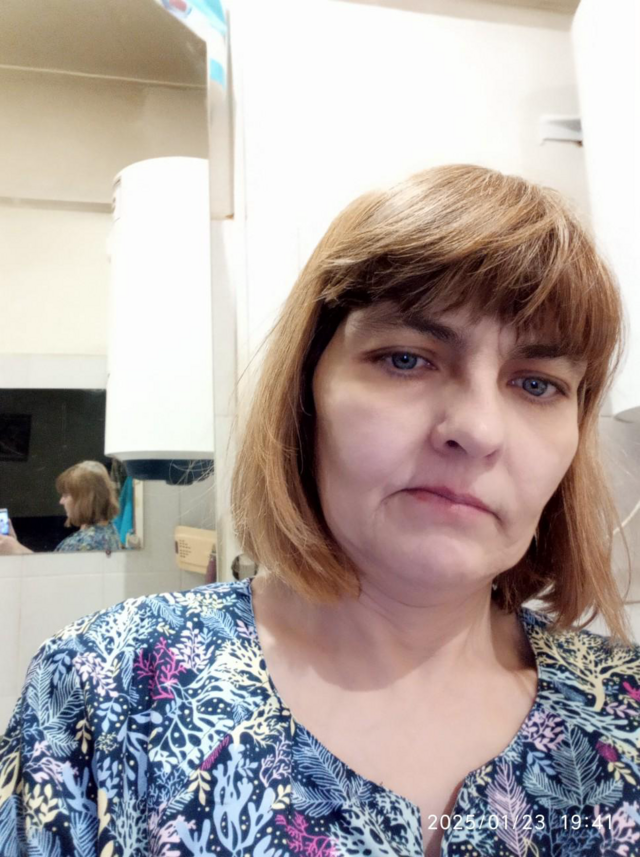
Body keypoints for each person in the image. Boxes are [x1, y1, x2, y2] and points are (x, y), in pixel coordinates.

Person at [0, 165, 639, 857]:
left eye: (538, 384)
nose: (479, 430)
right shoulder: (106, 689)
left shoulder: (624, 709)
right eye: (406, 359)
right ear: (305, 394)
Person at [0, 460, 122, 555]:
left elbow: (52, 575)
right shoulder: (109, 530)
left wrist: (16, 550)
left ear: (83, 500)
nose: (61, 501)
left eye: (66, 495)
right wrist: (15, 547)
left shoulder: (86, 543)